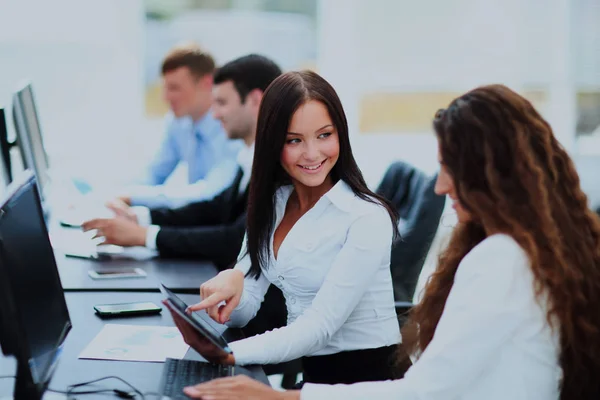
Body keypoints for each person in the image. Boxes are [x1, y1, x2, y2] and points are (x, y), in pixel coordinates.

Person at [179, 84, 600, 400]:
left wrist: (280, 395)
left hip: (358, 374)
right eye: (294, 140)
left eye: (448, 167)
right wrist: (234, 280)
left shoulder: (501, 260)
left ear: (491, 174)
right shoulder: (508, 251)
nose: (439, 186)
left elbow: (425, 389)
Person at [164, 70, 402, 387]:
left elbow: (318, 327)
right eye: (294, 140)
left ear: (341, 135)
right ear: (274, 143)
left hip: (369, 381)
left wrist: (226, 353)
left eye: (324, 135)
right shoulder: (274, 203)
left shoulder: (366, 217)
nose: (312, 154)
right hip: (316, 378)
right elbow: (244, 311)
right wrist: (232, 282)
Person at [82, 54, 281, 267]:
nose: (214, 115)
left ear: (255, 100)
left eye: (222, 103)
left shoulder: (278, 165)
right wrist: (141, 218)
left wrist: (145, 236)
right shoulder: (248, 156)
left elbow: (235, 239)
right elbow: (214, 209)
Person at [123, 42, 241, 208]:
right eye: (165, 87)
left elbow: (209, 193)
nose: (165, 97)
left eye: (174, 88)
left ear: (207, 83)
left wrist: (132, 197)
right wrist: (116, 196)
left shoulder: (232, 127)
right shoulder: (178, 122)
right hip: (192, 217)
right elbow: (154, 173)